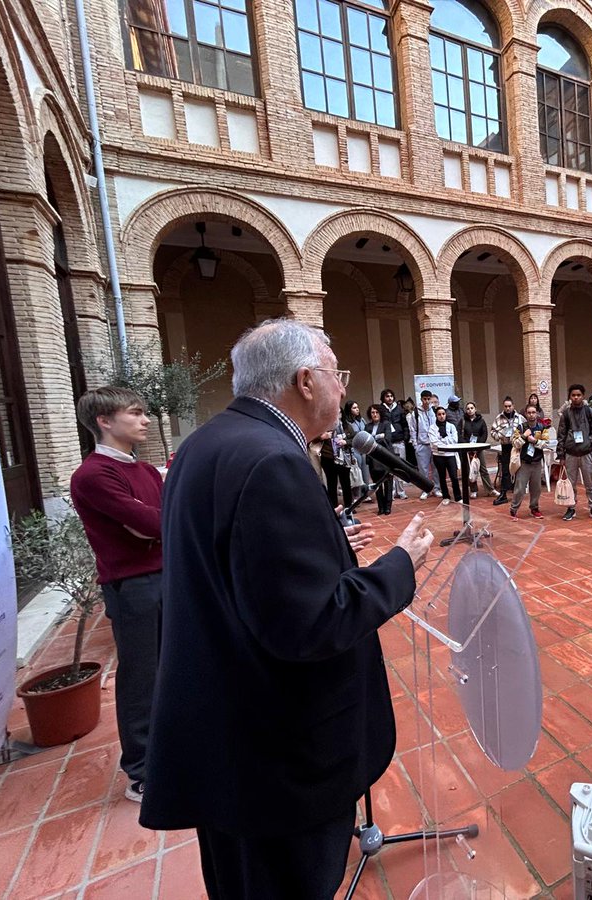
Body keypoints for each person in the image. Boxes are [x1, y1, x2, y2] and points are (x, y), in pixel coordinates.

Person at [140, 319, 434, 899]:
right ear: (304, 380)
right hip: (276, 755)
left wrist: (327, 551)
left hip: (226, 733)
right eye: (336, 374)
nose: (344, 388)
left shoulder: (208, 441)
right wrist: (400, 565)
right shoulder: (274, 461)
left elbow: (239, 568)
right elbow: (311, 624)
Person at [70, 386, 163, 803]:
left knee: (175, 667)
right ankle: (141, 771)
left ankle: (176, 751)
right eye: (135, 413)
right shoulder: (92, 475)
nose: (145, 420)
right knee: (142, 677)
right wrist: (157, 523)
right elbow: (150, 525)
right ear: (104, 421)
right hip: (133, 587)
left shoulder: (143, 472)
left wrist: (157, 523)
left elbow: (158, 522)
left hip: (168, 576)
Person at [556, 383, 592, 521]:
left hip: (586, 453)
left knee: (590, 484)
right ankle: (571, 508)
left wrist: (589, 442)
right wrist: (561, 455)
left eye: (578, 395)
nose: (576, 397)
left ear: (583, 396)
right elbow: (561, 435)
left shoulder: (590, 412)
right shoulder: (566, 413)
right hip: (570, 454)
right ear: (570, 397)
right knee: (571, 484)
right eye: (573, 395)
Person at [509, 403, 548, 519]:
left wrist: (534, 441)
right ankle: (514, 508)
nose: (531, 415)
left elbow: (545, 444)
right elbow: (515, 443)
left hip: (537, 463)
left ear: (537, 414)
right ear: (526, 414)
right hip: (524, 463)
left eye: (533, 412)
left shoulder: (542, 427)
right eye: (529, 413)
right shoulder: (520, 428)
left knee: (536, 489)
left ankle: (534, 508)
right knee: (520, 488)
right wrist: (524, 437)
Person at [364, 404, 396, 515]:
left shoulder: (386, 424)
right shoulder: (367, 427)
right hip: (373, 459)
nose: (375, 415)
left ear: (381, 413)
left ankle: (388, 507)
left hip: (385, 457)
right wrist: (379, 437)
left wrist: (374, 439)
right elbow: (365, 443)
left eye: (377, 412)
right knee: (377, 485)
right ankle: (381, 507)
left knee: (388, 483)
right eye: (372, 412)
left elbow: (387, 439)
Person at [316, 420, 354, 509]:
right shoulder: (323, 425)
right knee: (331, 484)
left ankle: (349, 506)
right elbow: (311, 438)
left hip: (344, 457)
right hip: (328, 457)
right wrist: (322, 437)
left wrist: (346, 442)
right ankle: (334, 507)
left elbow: (354, 439)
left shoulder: (346, 426)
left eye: (339, 413)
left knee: (346, 483)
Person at [461, 401, 495, 499]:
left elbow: (484, 434)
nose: (470, 410)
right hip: (467, 449)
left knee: (483, 469)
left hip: (478, 449)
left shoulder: (481, 421)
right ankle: (473, 490)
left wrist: (478, 445)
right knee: (471, 469)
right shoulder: (463, 421)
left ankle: (490, 489)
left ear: (475, 409)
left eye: (472, 408)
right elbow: (460, 435)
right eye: (468, 408)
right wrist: (466, 445)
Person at [380, 389, 409, 500]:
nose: (390, 398)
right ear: (383, 398)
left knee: (401, 467)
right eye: (387, 396)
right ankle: (390, 492)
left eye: (391, 396)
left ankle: (401, 491)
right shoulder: (381, 410)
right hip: (387, 443)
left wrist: (405, 437)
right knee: (389, 468)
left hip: (399, 441)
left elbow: (405, 425)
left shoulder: (399, 409)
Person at [491, 396, 520, 506]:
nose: (508, 408)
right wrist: (499, 436)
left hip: (517, 447)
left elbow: (525, 429)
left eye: (509, 406)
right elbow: (492, 431)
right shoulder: (499, 418)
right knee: (506, 470)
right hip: (506, 447)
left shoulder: (519, 418)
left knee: (518, 469)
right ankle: (503, 494)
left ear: (513, 406)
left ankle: (518, 494)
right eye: (506, 406)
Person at [431, 406, 462, 502]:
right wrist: (446, 442)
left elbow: (454, 440)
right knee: (442, 476)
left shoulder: (451, 426)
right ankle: (446, 496)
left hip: (450, 455)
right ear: (436, 416)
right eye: (439, 414)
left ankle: (458, 496)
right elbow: (434, 443)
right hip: (438, 455)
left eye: (443, 414)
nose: (441, 416)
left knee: (454, 476)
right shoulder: (432, 428)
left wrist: (442, 440)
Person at [413, 390, 440, 499]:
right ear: (421, 399)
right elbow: (413, 430)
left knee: (436, 468)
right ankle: (425, 489)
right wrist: (415, 445)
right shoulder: (415, 412)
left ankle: (437, 488)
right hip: (421, 444)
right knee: (423, 470)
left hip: (433, 444)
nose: (427, 401)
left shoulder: (434, 410)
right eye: (425, 399)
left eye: (429, 399)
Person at [342, 401, 370, 496]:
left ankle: (365, 493)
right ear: (349, 410)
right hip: (354, 450)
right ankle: (357, 495)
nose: (357, 409)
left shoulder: (361, 420)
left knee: (365, 471)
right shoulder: (346, 423)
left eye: (357, 407)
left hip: (364, 449)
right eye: (354, 408)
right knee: (357, 473)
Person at [402, 397, 418, 468]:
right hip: (414, 440)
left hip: (410, 440)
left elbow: (410, 429)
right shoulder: (414, 415)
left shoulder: (408, 416)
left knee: (411, 461)